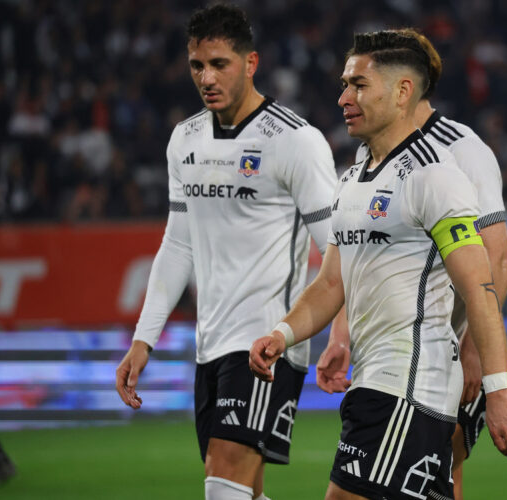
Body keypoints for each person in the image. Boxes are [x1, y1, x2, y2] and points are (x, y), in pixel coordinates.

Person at [250, 30, 507, 500]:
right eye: (345, 84)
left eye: (359, 85)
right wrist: (281, 335)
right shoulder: (352, 179)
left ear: (402, 92)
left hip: (407, 387)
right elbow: (331, 283)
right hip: (375, 383)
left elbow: (480, 287)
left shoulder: (435, 176)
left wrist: (497, 388)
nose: (344, 97)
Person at [114, 5, 341, 500]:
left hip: (266, 343)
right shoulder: (185, 139)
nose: (206, 77)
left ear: (251, 62)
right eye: (197, 65)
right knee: (242, 492)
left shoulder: (296, 142)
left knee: (222, 488)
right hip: (210, 344)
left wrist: (340, 332)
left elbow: (340, 252)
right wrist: (143, 339)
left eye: (220, 63)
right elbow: (178, 244)